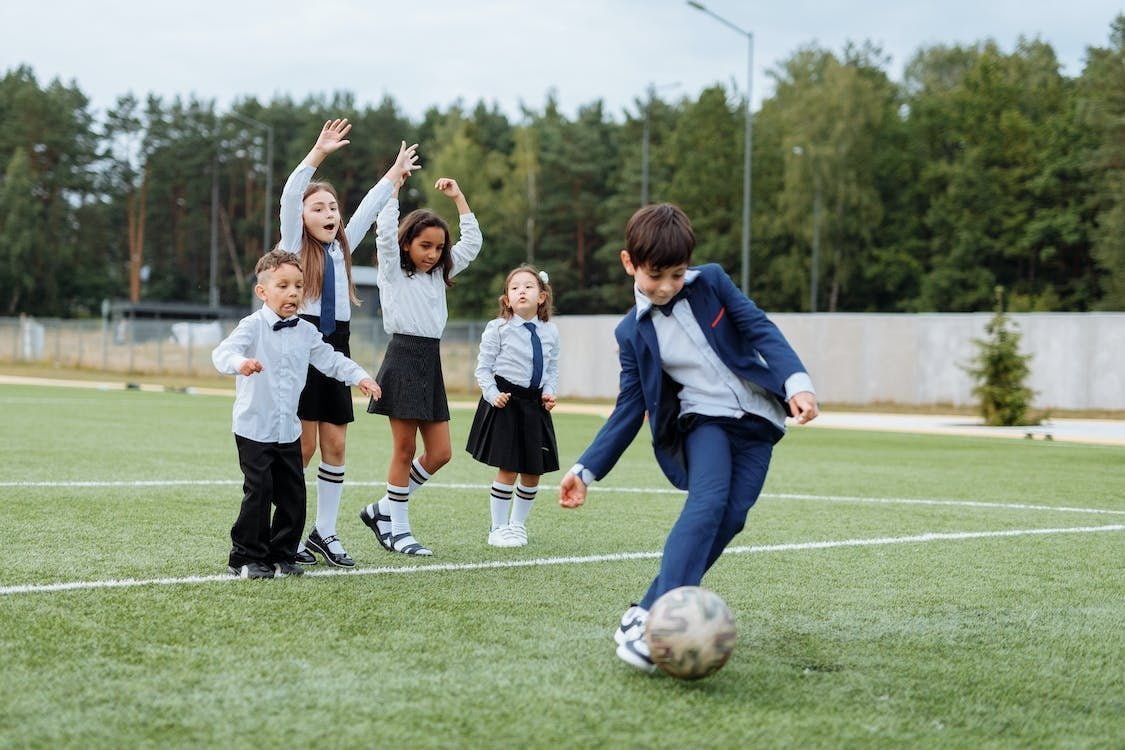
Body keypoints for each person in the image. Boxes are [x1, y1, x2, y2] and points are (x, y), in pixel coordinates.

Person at [557, 203, 819, 671]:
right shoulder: (630, 334)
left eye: (677, 275)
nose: (667, 286)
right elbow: (628, 409)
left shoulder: (713, 282)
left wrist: (795, 383)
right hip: (703, 423)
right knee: (708, 500)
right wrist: (585, 469)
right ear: (629, 263)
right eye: (656, 274)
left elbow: (758, 327)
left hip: (758, 422)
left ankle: (642, 612)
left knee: (733, 516)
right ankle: (664, 622)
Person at [278, 118, 419, 568]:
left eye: (332, 207)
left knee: (335, 446)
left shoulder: (341, 246)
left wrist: (393, 176)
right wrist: (317, 153)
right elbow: (288, 195)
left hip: (336, 347)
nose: (329, 214)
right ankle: (286, 533)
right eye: (318, 207)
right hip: (300, 347)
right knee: (302, 448)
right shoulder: (292, 244)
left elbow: (367, 211)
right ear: (301, 217)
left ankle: (326, 532)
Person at [212, 249, 380, 579]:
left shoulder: (305, 331)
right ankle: (245, 558)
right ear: (263, 291)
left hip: (288, 430)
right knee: (258, 493)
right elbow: (223, 352)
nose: (293, 293)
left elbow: (331, 360)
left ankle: (282, 554)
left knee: (293, 497)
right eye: (283, 285)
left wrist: (360, 376)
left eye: (298, 286)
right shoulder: (252, 327)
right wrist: (240, 364)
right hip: (254, 428)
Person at [359, 175, 483, 556]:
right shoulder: (393, 272)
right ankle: (399, 530)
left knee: (441, 452)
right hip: (402, 358)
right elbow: (383, 235)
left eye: (438, 247)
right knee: (403, 448)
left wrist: (459, 196)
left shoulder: (440, 275)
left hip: (430, 362)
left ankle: (382, 508)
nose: (431, 253)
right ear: (407, 243)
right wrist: (393, 188)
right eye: (424, 245)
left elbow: (473, 245)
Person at [465, 265, 560, 547]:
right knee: (508, 468)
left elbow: (553, 368)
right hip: (506, 402)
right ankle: (497, 528)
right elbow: (483, 369)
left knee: (533, 471)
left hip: (535, 405)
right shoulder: (498, 328)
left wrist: (549, 392)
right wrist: (493, 394)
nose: (521, 291)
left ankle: (517, 525)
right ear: (507, 299)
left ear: (541, 297)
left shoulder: (551, 331)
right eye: (515, 287)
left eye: (529, 286)